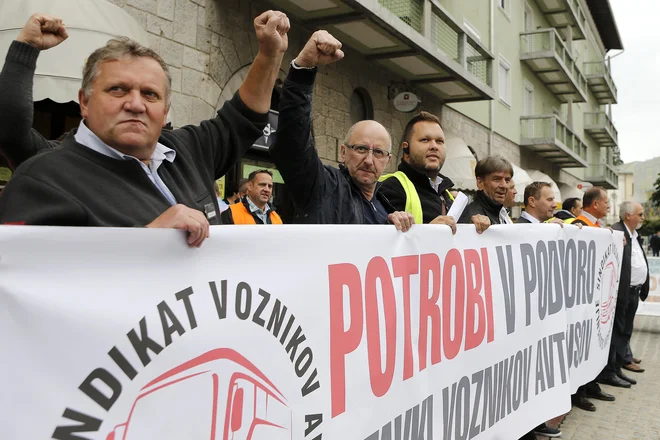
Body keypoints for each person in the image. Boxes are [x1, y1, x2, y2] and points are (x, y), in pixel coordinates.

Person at [0, 11, 290, 247]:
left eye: (150, 94)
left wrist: (270, 53)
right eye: (118, 90)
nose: (135, 104)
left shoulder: (189, 150)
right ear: (84, 102)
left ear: (164, 112)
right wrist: (146, 242)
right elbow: (32, 291)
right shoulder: (44, 178)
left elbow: (242, 118)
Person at [269, 30, 414, 231]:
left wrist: (392, 228)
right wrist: (303, 68)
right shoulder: (323, 187)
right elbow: (293, 142)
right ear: (343, 152)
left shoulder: (384, 206)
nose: (369, 160)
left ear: (388, 161)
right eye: (361, 149)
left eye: (378, 152)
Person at [378, 111, 489, 233]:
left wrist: (472, 226)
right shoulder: (389, 188)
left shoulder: (449, 196)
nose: (434, 146)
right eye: (425, 140)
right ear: (406, 149)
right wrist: (429, 232)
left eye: (440, 141)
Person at [570, 186, 617, 410]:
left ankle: (592, 383)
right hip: (581, 300)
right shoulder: (578, 225)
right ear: (595, 204)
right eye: (606, 201)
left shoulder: (597, 228)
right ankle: (579, 392)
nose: (608, 205)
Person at [612, 202, 649, 375]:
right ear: (628, 215)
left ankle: (626, 354)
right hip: (623, 291)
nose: (643, 218)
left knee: (627, 326)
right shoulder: (617, 232)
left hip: (634, 289)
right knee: (620, 328)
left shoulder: (634, 234)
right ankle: (621, 361)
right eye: (640, 214)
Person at [458, 155, 513, 225]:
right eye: (497, 179)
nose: (504, 185)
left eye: (507, 180)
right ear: (480, 183)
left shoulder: (501, 212)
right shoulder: (472, 217)